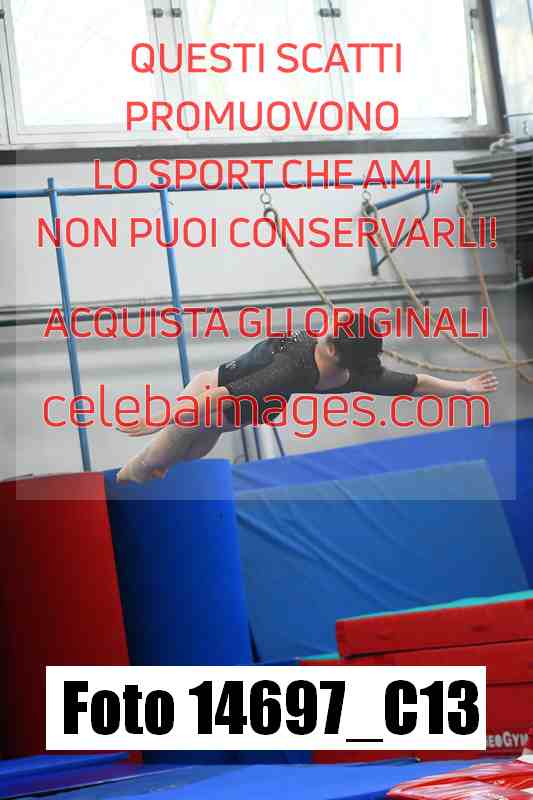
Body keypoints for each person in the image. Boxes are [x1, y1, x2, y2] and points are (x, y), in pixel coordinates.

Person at [116, 310, 498, 484]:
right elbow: (215, 396)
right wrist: (164, 418)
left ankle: (163, 461)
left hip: (232, 414)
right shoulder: (291, 366)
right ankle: (131, 472)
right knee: (150, 463)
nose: (324, 325)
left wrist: (463, 389)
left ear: (334, 351)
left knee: (191, 455)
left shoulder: (359, 375)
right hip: (205, 400)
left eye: (330, 328)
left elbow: (416, 383)